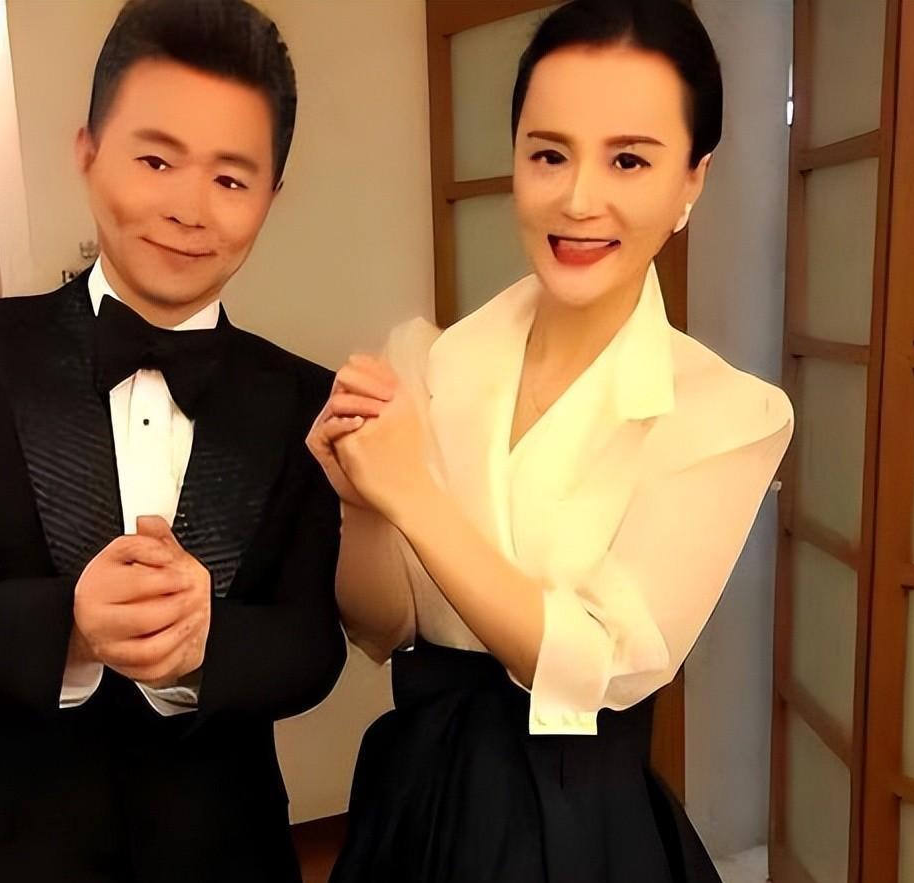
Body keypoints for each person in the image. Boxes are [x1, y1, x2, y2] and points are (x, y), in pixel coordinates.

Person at [0, 2, 345, 880]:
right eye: (155, 160)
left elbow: (313, 644)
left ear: (273, 194)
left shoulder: (306, 399)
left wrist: (205, 641)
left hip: (225, 853)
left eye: (231, 179)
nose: (188, 208)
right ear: (86, 151)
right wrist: (72, 626)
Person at [307, 1, 792, 880]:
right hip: (415, 795)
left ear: (692, 180)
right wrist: (362, 507)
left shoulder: (728, 414)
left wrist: (409, 491)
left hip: (574, 824)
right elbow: (383, 629)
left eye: (629, 159)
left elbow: (593, 667)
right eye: (549, 154)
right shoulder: (428, 359)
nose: (577, 199)